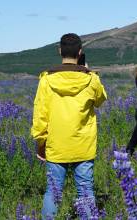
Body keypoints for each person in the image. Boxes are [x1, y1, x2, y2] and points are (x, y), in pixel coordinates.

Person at [31, 33, 107, 219]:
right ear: (80, 52)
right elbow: (100, 100)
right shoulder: (91, 79)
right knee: (86, 191)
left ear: (59, 51)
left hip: (56, 145)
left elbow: (40, 115)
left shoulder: (46, 80)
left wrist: (41, 142)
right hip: (84, 145)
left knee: (52, 192)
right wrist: (87, 71)